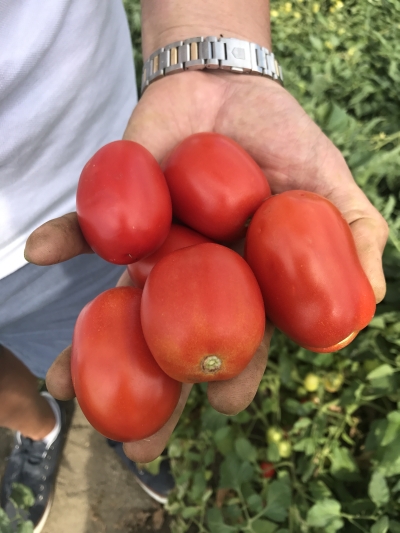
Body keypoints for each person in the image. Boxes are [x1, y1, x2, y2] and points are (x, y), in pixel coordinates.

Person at [1, 0, 389, 531]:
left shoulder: (159, 244)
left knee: (89, 330)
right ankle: (38, 429)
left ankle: (61, 428)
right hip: (102, 228)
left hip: (87, 150)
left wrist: (211, 46)